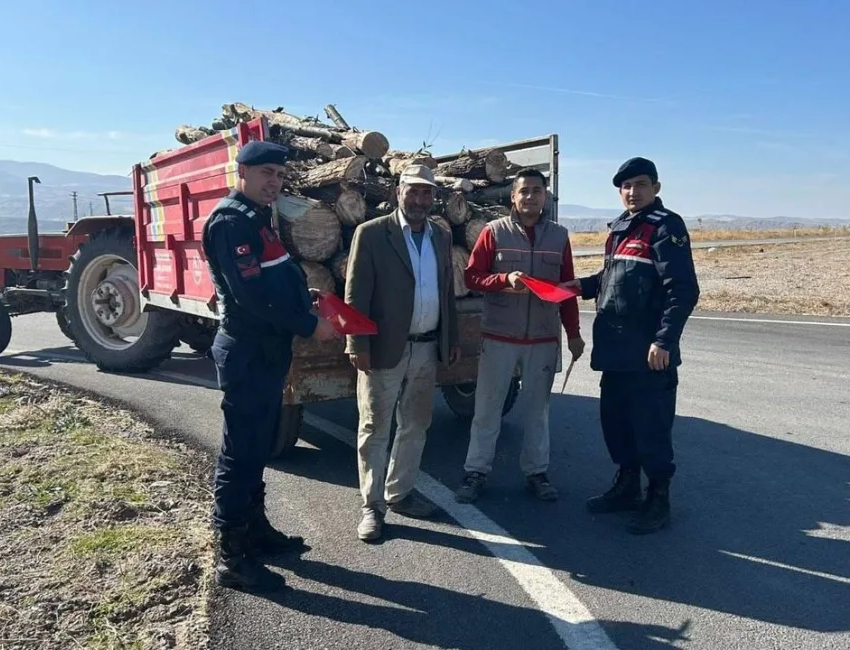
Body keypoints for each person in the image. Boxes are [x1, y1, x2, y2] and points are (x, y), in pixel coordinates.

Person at [201, 140, 340, 591]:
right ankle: (232, 556)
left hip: (264, 352)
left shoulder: (258, 219)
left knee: (257, 448)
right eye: (266, 173)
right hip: (247, 352)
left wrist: (305, 297)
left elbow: (273, 278)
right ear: (242, 171)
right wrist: (308, 323)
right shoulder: (230, 221)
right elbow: (251, 297)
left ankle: (255, 533)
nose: (274, 182)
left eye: (280, 175)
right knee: (239, 454)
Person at [562, 157, 699, 534]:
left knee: (651, 426)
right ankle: (627, 486)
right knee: (617, 424)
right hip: (616, 350)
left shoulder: (665, 227)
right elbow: (613, 278)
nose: (632, 192)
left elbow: (683, 290)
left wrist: (664, 340)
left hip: (648, 353)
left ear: (656, 187)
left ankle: (658, 498)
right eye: (626, 186)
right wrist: (581, 286)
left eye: (640, 184)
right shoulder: (621, 229)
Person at [344, 164, 460, 542]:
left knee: (415, 424)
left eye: (426, 193)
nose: (420, 200)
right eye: (413, 191)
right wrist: (356, 343)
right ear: (398, 191)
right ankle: (371, 507)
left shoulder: (441, 236)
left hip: (427, 348)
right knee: (374, 429)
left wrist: (451, 338)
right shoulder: (373, 233)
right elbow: (356, 294)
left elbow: (445, 292)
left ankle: (400, 493)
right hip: (383, 348)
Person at [453, 168, 584, 504]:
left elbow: (567, 289)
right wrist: (502, 280)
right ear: (512, 196)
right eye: (523, 191)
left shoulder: (559, 237)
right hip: (499, 336)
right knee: (487, 408)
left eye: (536, 191)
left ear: (545, 196)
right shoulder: (493, 232)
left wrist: (573, 334)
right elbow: (471, 278)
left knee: (538, 410)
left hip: (542, 339)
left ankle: (537, 472)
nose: (530, 197)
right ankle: (476, 472)